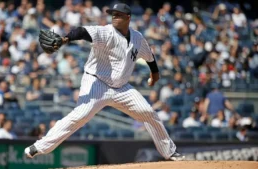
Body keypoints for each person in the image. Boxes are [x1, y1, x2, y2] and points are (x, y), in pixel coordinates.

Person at [25, 3, 184, 161]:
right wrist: (65, 39)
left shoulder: (138, 38)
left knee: (149, 113)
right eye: (112, 14)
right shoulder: (107, 32)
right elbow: (82, 31)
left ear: (128, 18)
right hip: (97, 82)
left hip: (122, 88)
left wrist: (155, 74)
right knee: (80, 115)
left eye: (118, 14)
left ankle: (169, 152)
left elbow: (150, 57)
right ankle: (39, 146)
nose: (114, 16)